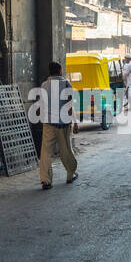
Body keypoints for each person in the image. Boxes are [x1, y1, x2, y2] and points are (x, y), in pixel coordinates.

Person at [38, 61, 77, 190]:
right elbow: (70, 106)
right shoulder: (66, 83)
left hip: (48, 123)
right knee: (65, 149)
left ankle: (46, 180)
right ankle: (70, 175)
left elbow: (41, 105)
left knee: (45, 152)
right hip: (63, 123)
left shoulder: (44, 85)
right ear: (60, 70)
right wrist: (75, 121)